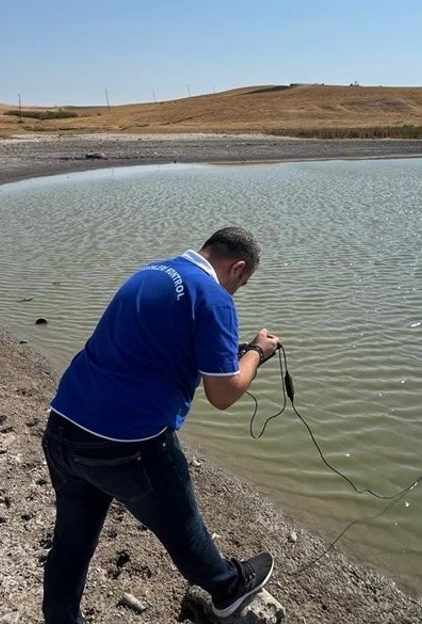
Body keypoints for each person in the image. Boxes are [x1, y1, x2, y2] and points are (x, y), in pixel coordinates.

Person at [42, 227, 282, 624]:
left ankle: (60, 619)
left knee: (71, 543)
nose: (236, 291)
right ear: (238, 267)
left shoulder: (153, 272)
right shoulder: (215, 298)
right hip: (128, 445)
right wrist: (257, 351)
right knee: (183, 528)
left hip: (65, 425)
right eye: (242, 283)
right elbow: (223, 395)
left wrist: (223, 353)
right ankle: (228, 588)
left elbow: (150, 344)